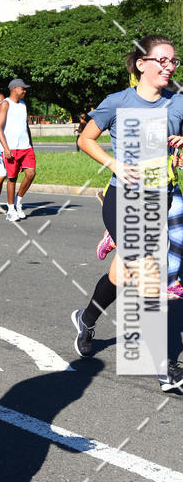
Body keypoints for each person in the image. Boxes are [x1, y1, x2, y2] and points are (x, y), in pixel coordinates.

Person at [72, 35, 183, 395]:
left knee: (122, 273)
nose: (169, 67)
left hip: (158, 199)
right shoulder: (117, 102)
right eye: (162, 61)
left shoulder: (178, 102)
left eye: (174, 62)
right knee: (147, 271)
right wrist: (114, 163)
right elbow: (85, 139)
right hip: (122, 199)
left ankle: (86, 319)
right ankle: (165, 367)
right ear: (142, 64)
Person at [0, 78, 36, 222]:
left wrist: (31, 144)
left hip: (25, 147)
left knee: (31, 173)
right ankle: (11, 209)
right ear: (14, 89)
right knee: (12, 178)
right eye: (22, 88)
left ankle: (18, 201)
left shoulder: (23, 104)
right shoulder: (5, 104)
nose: (24, 91)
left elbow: (26, 126)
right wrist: (5, 148)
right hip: (11, 148)